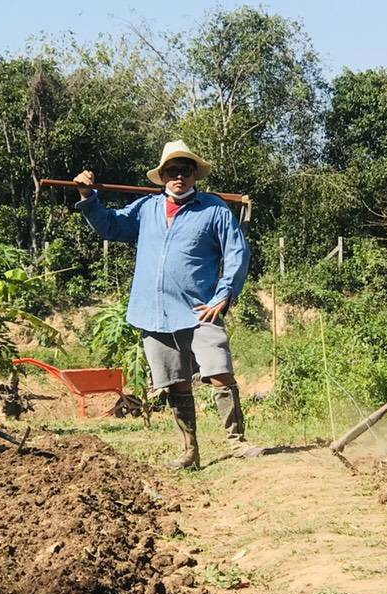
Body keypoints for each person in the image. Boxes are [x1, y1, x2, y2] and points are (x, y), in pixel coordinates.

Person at [73, 141, 255, 470]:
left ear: (194, 175)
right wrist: (89, 198)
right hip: (155, 312)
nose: (179, 177)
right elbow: (111, 226)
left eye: (185, 171)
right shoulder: (147, 208)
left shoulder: (213, 210)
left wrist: (224, 294)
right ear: (163, 176)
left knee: (219, 370)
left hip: (201, 309)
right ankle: (190, 452)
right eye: (172, 171)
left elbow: (236, 253)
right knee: (175, 382)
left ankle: (237, 442)